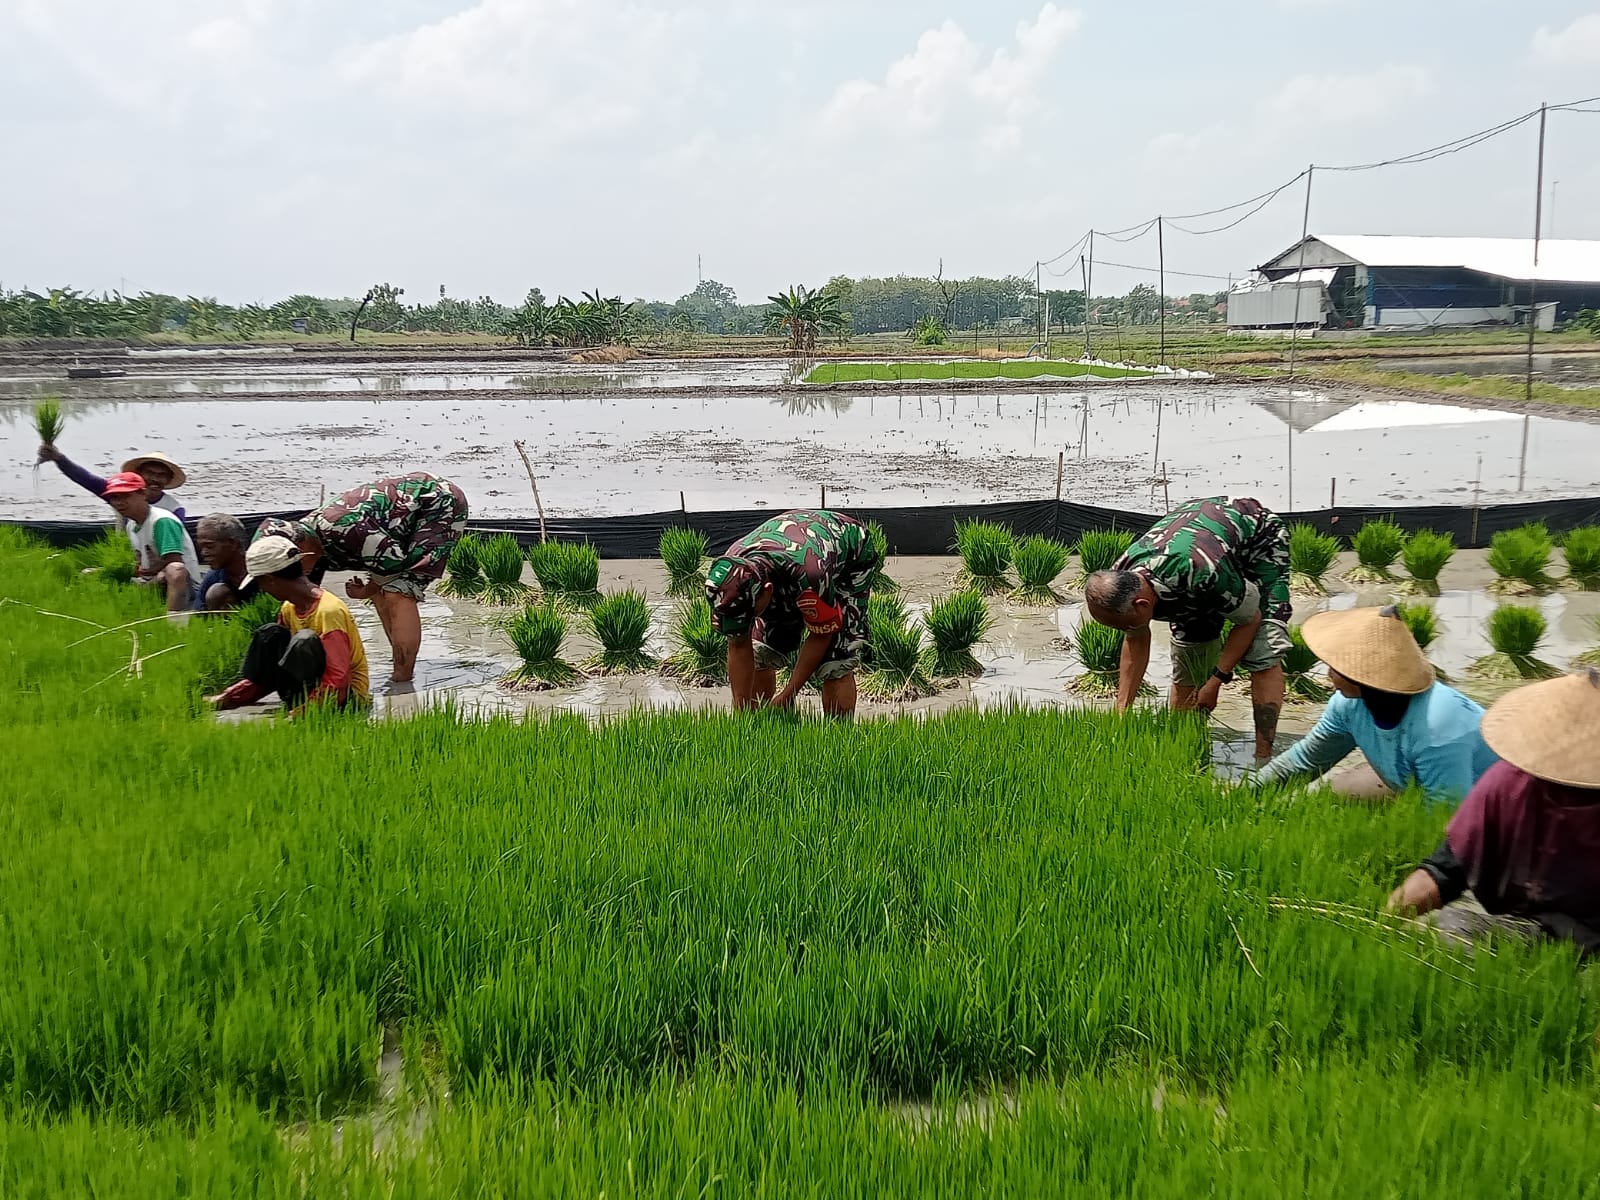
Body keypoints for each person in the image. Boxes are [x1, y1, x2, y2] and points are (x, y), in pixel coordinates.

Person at [1388, 670, 1600, 957]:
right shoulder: (1508, 783)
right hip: (1532, 931)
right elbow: (1446, 870)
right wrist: (1381, 922)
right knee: (1444, 928)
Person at [1085, 496, 1291, 760]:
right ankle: (1184, 749)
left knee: (1264, 651)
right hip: (1195, 568)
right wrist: (1122, 712)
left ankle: (1264, 758)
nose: (1130, 629)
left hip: (1259, 543)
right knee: (1190, 656)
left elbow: (1250, 619)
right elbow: (1135, 639)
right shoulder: (1119, 580)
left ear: (1142, 604)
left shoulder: (1201, 572)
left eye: (1130, 623)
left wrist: (1217, 680)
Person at [1246, 606, 1498, 806]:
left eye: (1337, 667)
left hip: (1493, 811)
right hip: (1411, 786)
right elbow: (1306, 760)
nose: (1328, 674)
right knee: (1324, 801)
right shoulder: (1348, 704)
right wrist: (1240, 796)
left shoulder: (1437, 727)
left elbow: (1446, 817)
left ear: (1363, 676)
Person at [253, 472, 468, 684]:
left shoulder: (343, 528)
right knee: (382, 591)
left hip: (437, 503)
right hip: (391, 529)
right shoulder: (308, 556)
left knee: (398, 591)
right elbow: (303, 605)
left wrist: (366, 590)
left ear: (301, 548)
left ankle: (402, 676)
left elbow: (393, 562)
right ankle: (399, 659)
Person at [705, 509, 881, 718]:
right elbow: (738, 644)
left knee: (836, 661)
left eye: (751, 614)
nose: (747, 621)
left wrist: (789, 694)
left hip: (848, 557)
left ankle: (839, 738)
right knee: (761, 650)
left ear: (767, 591)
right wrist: (741, 712)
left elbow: (822, 634)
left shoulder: (810, 574)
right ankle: (758, 722)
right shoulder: (732, 573)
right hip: (790, 554)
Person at [213, 536, 370, 713]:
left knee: (304, 640)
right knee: (270, 634)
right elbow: (271, 671)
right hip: (306, 694)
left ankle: (308, 707)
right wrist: (228, 698)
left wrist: (301, 714)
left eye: (260, 582)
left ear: (270, 579)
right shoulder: (288, 608)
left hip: (347, 700)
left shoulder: (329, 611)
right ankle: (299, 703)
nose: (262, 589)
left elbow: (339, 680)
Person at [100, 471, 200, 613]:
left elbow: (176, 567)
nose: (118, 502)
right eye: (114, 497)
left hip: (184, 587)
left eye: (125, 496)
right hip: (149, 581)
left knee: (170, 571)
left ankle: (175, 620)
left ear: (143, 494)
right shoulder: (132, 525)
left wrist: (153, 570)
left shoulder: (162, 521)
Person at [37, 445, 187, 519]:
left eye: (161, 475)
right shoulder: (120, 495)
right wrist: (58, 458)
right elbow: (86, 479)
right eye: (150, 473)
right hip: (124, 551)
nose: (155, 479)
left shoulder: (174, 510)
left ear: (168, 480)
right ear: (138, 475)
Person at [192, 513, 260, 612]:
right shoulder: (213, 578)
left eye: (210, 546)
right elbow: (197, 615)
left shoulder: (261, 572)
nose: (203, 553)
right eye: (201, 547)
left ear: (233, 544)